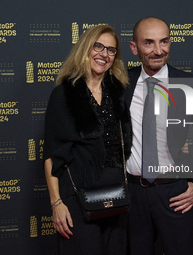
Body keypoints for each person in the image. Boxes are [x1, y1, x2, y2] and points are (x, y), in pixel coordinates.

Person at [124, 17, 193, 255]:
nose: (158, 50)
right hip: (132, 194)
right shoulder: (121, 83)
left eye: (164, 42)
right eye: (149, 43)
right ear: (134, 47)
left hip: (174, 193)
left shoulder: (190, 84)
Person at [43, 25, 132, 255]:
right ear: (86, 48)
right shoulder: (64, 94)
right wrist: (56, 203)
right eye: (98, 46)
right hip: (79, 197)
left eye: (111, 50)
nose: (104, 54)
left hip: (116, 197)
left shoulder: (117, 93)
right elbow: (52, 155)